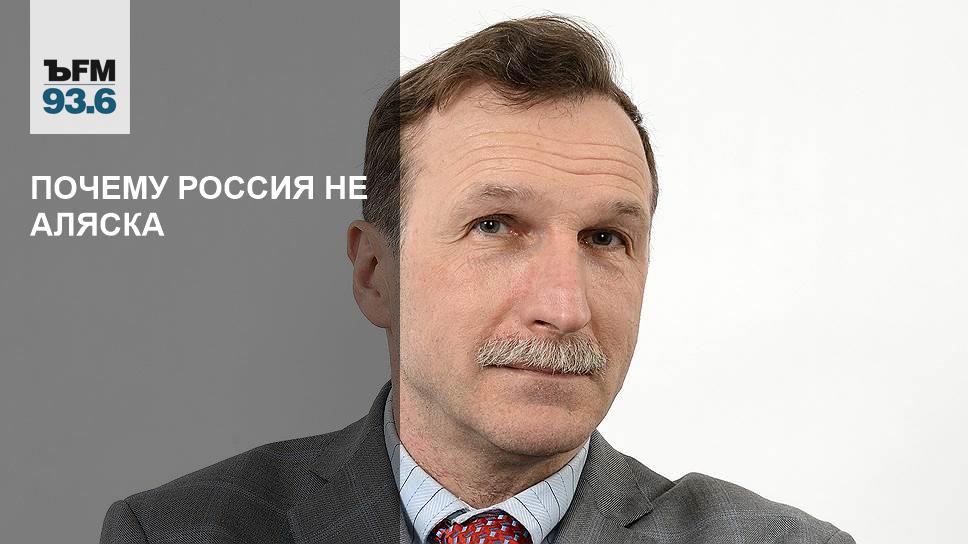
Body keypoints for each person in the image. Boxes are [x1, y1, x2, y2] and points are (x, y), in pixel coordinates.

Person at [100, 16, 854, 544]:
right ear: (376, 274)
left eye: (605, 238)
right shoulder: (178, 532)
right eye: (495, 226)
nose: (565, 307)